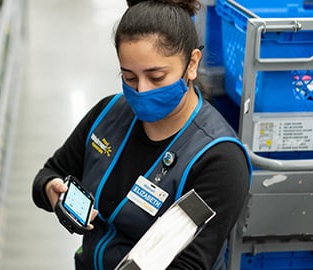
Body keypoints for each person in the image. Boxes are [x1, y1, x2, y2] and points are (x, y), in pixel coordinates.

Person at [32, 0, 251, 269]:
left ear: (192, 64)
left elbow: (189, 264)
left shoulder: (219, 159)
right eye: (129, 78)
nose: (142, 91)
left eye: (156, 77)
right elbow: (50, 172)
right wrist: (51, 190)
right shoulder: (109, 114)